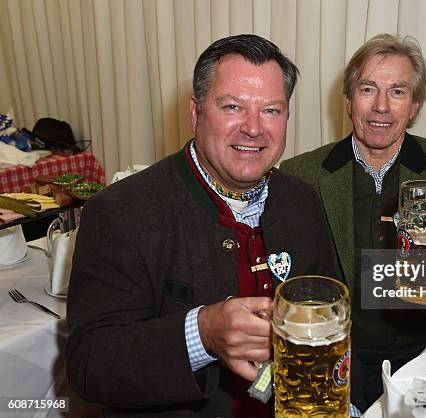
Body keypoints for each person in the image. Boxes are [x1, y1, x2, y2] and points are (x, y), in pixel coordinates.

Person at [66, 34, 339, 418]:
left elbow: (329, 312)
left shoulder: (303, 200)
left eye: (272, 111)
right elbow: (88, 364)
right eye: (232, 106)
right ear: (195, 112)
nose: (253, 128)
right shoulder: (121, 212)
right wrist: (202, 333)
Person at [280, 33, 426, 410]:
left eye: (397, 92)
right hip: (342, 355)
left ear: (413, 107)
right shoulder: (302, 174)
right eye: (367, 89)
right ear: (348, 101)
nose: (381, 107)